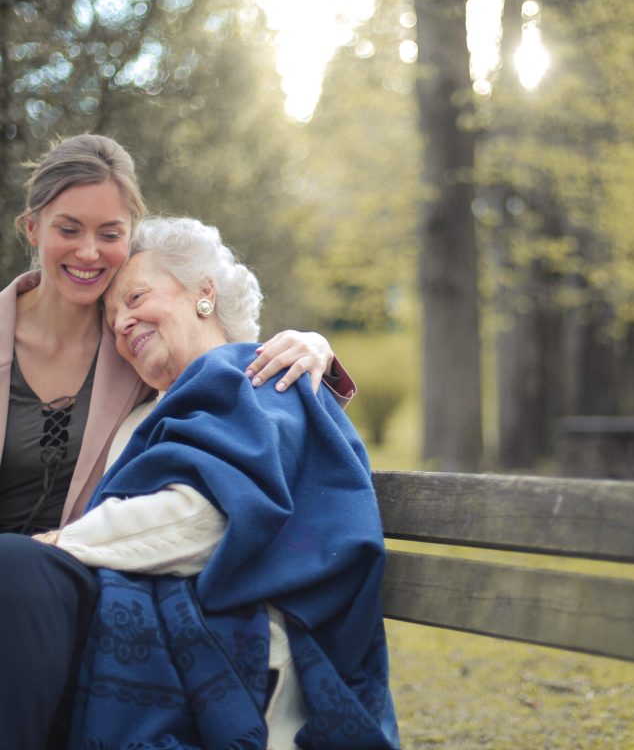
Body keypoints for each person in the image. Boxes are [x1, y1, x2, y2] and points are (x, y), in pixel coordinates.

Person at [0, 134, 356, 747]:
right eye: (68, 228)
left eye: (109, 234)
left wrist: (315, 345)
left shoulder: (205, 370)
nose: (121, 321)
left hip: (66, 587)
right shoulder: (142, 369)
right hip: (83, 593)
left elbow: (246, 392)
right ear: (32, 229)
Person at [38, 216, 399, 749]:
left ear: (204, 293)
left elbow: (211, 515)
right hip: (171, 627)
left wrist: (50, 551)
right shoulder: (141, 419)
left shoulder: (260, 375)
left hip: (254, 643)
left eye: (135, 297)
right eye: (112, 319)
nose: (121, 325)